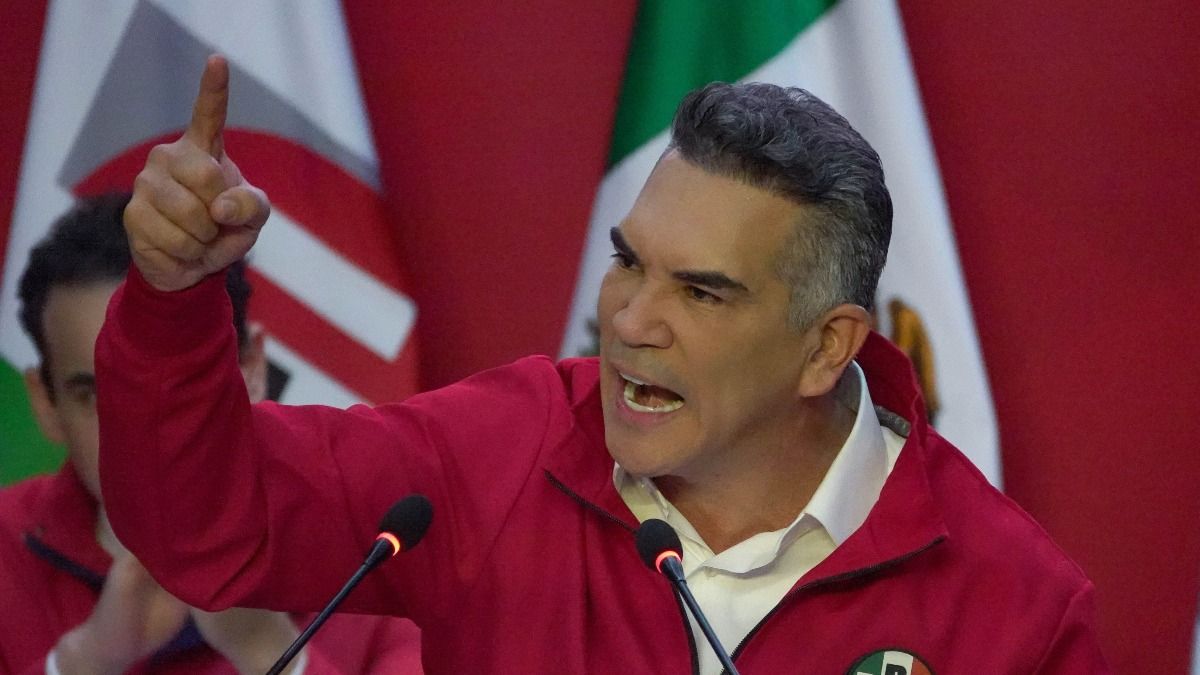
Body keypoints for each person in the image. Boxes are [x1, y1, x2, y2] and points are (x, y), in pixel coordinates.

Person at [96, 55, 1110, 673]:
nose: (629, 320)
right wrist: (173, 300)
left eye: (700, 293)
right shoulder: (506, 451)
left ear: (825, 348)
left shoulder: (1013, 606)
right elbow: (208, 523)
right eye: (629, 262)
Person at [0, 193, 423, 674]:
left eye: (183, 387)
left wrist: (273, 653)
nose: (143, 434)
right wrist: (82, 662)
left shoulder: (379, 551)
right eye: (97, 397)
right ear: (45, 401)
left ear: (253, 366)